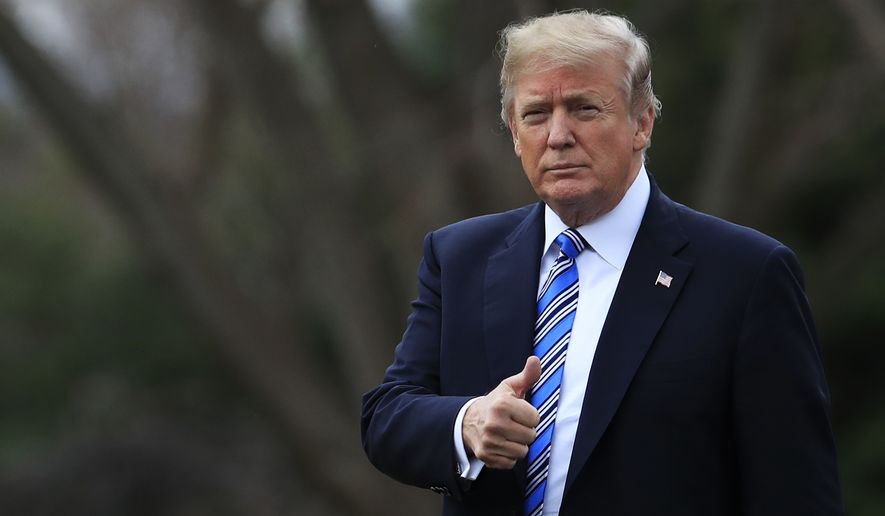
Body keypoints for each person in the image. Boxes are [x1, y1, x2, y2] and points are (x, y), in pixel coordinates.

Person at [361, 10, 843, 516]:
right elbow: (386, 418)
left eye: (585, 108)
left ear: (642, 122)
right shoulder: (459, 257)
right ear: (512, 131)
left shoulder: (746, 273)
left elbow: (797, 491)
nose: (559, 135)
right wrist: (467, 423)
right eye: (536, 114)